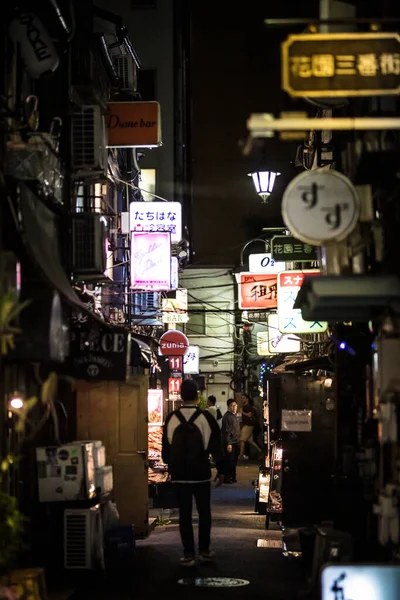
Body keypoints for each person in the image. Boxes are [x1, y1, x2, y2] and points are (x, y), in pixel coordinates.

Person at [162, 379, 224, 567]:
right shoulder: (206, 418)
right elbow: (217, 447)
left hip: (180, 475)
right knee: (204, 513)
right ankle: (204, 550)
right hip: (201, 474)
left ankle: (188, 554)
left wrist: (171, 466)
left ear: (181, 396)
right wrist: (222, 470)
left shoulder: (171, 417)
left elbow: (166, 451)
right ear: (197, 396)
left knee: (184, 515)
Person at [221, 398, 240, 484]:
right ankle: (227, 478)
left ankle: (232, 477)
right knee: (229, 461)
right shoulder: (227, 417)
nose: (234, 407)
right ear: (228, 407)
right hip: (231, 442)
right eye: (232, 406)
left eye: (235, 405)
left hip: (235, 441)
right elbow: (226, 431)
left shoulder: (234, 415)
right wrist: (229, 443)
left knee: (233, 461)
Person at [239, 393, 263, 459]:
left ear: (247, 399)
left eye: (243, 398)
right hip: (249, 425)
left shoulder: (248, 406)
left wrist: (242, 412)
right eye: (241, 398)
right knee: (250, 441)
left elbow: (249, 415)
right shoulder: (246, 406)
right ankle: (261, 451)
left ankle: (241, 455)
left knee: (242, 440)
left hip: (248, 425)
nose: (242, 399)